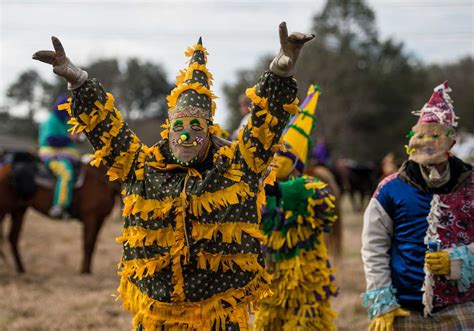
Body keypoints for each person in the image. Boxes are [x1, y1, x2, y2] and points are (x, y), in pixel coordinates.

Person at [33, 23, 314, 330]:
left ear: (209, 132)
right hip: (157, 315)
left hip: (219, 315)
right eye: (179, 128)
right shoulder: (141, 167)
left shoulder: (239, 166)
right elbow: (106, 128)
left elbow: (265, 125)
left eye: (196, 127)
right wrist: (79, 82)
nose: (186, 136)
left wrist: (280, 72)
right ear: (168, 131)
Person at [361, 81, 473, 330]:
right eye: (421, 136)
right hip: (404, 308)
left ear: (451, 142)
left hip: (464, 307)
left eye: (435, 135)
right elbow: (373, 247)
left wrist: (460, 261)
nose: (427, 143)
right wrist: (382, 300)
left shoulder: (472, 184)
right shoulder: (390, 188)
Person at [255, 84, 337, 330]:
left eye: (282, 157)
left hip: (306, 289)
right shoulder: (259, 193)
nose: (274, 162)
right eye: (272, 156)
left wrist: (277, 190)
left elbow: (322, 205)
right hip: (270, 285)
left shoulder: (310, 187)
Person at [38, 95, 80, 218]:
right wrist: (70, 138)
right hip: (51, 155)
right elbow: (51, 140)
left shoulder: (66, 121)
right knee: (66, 172)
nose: (69, 113)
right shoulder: (51, 120)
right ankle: (59, 206)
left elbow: (74, 138)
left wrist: (78, 137)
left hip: (69, 156)